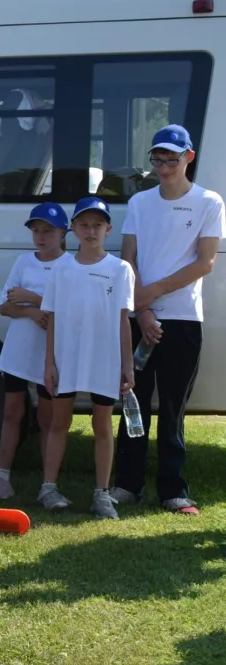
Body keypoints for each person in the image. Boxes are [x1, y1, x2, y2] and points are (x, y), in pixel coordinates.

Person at [111, 125, 226, 515]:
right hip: (139, 317)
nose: (163, 168)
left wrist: (153, 294)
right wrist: (141, 311)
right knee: (132, 402)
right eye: (157, 160)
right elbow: (128, 257)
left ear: (188, 158)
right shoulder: (141, 203)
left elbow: (205, 263)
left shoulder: (209, 201)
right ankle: (126, 484)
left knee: (173, 408)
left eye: (171, 161)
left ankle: (173, 491)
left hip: (182, 320)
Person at [38, 197, 136, 519]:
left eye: (97, 225)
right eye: (84, 224)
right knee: (59, 422)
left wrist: (126, 364)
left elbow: (123, 320)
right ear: (73, 229)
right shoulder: (61, 267)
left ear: (108, 228)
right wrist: (50, 362)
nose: (91, 231)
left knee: (102, 424)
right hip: (67, 359)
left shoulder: (120, 269)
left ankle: (102, 494)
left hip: (103, 361)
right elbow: (51, 317)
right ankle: (48, 487)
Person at [0, 202, 71, 500]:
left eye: (48, 230)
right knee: (12, 412)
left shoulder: (70, 265)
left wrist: (31, 299)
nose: (41, 236)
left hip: (51, 353)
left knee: (49, 418)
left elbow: (68, 309)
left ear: (63, 232)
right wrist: (32, 312)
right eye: (36, 230)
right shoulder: (23, 262)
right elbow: (5, 306)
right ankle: (2, 478)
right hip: (18, 351)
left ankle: (48, 485)